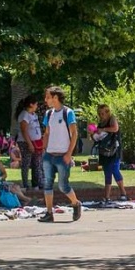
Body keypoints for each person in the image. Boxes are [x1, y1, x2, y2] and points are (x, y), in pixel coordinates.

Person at [38, 86, 81, 223]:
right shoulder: (48, 114)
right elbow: (47, 133)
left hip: (62, 155)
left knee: (63, 186)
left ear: (55, 98)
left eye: (48, 97)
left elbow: (74, 133)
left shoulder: (68, 112)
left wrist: (69, 153)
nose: (46, 100)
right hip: (49, 154)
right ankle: (49, 213)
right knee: (47, 184)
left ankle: (76, 203)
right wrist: (44, 150)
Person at [94, 104, 127, 202]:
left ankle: (123, 192)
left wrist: (103, 130)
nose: (101, 115)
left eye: (103, 113)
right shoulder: (100, 123)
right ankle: (107, 197)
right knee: (107, 171)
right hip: (104, 151)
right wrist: (94, 133)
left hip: (114, 150)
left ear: (108, 112)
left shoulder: (112, 119)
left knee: (114, 169)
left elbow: (115, 128)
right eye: (99, 113)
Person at [15, 95, 45, 190]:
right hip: (26, 142)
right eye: (36, 104)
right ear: (31, 104)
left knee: (37, 162)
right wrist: (29, 143)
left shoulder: (34, 115)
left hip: (37, 141)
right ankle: (25, 183)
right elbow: (24, 130)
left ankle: (37, 183)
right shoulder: (24, 115)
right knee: (26, 162)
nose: (37, 106)